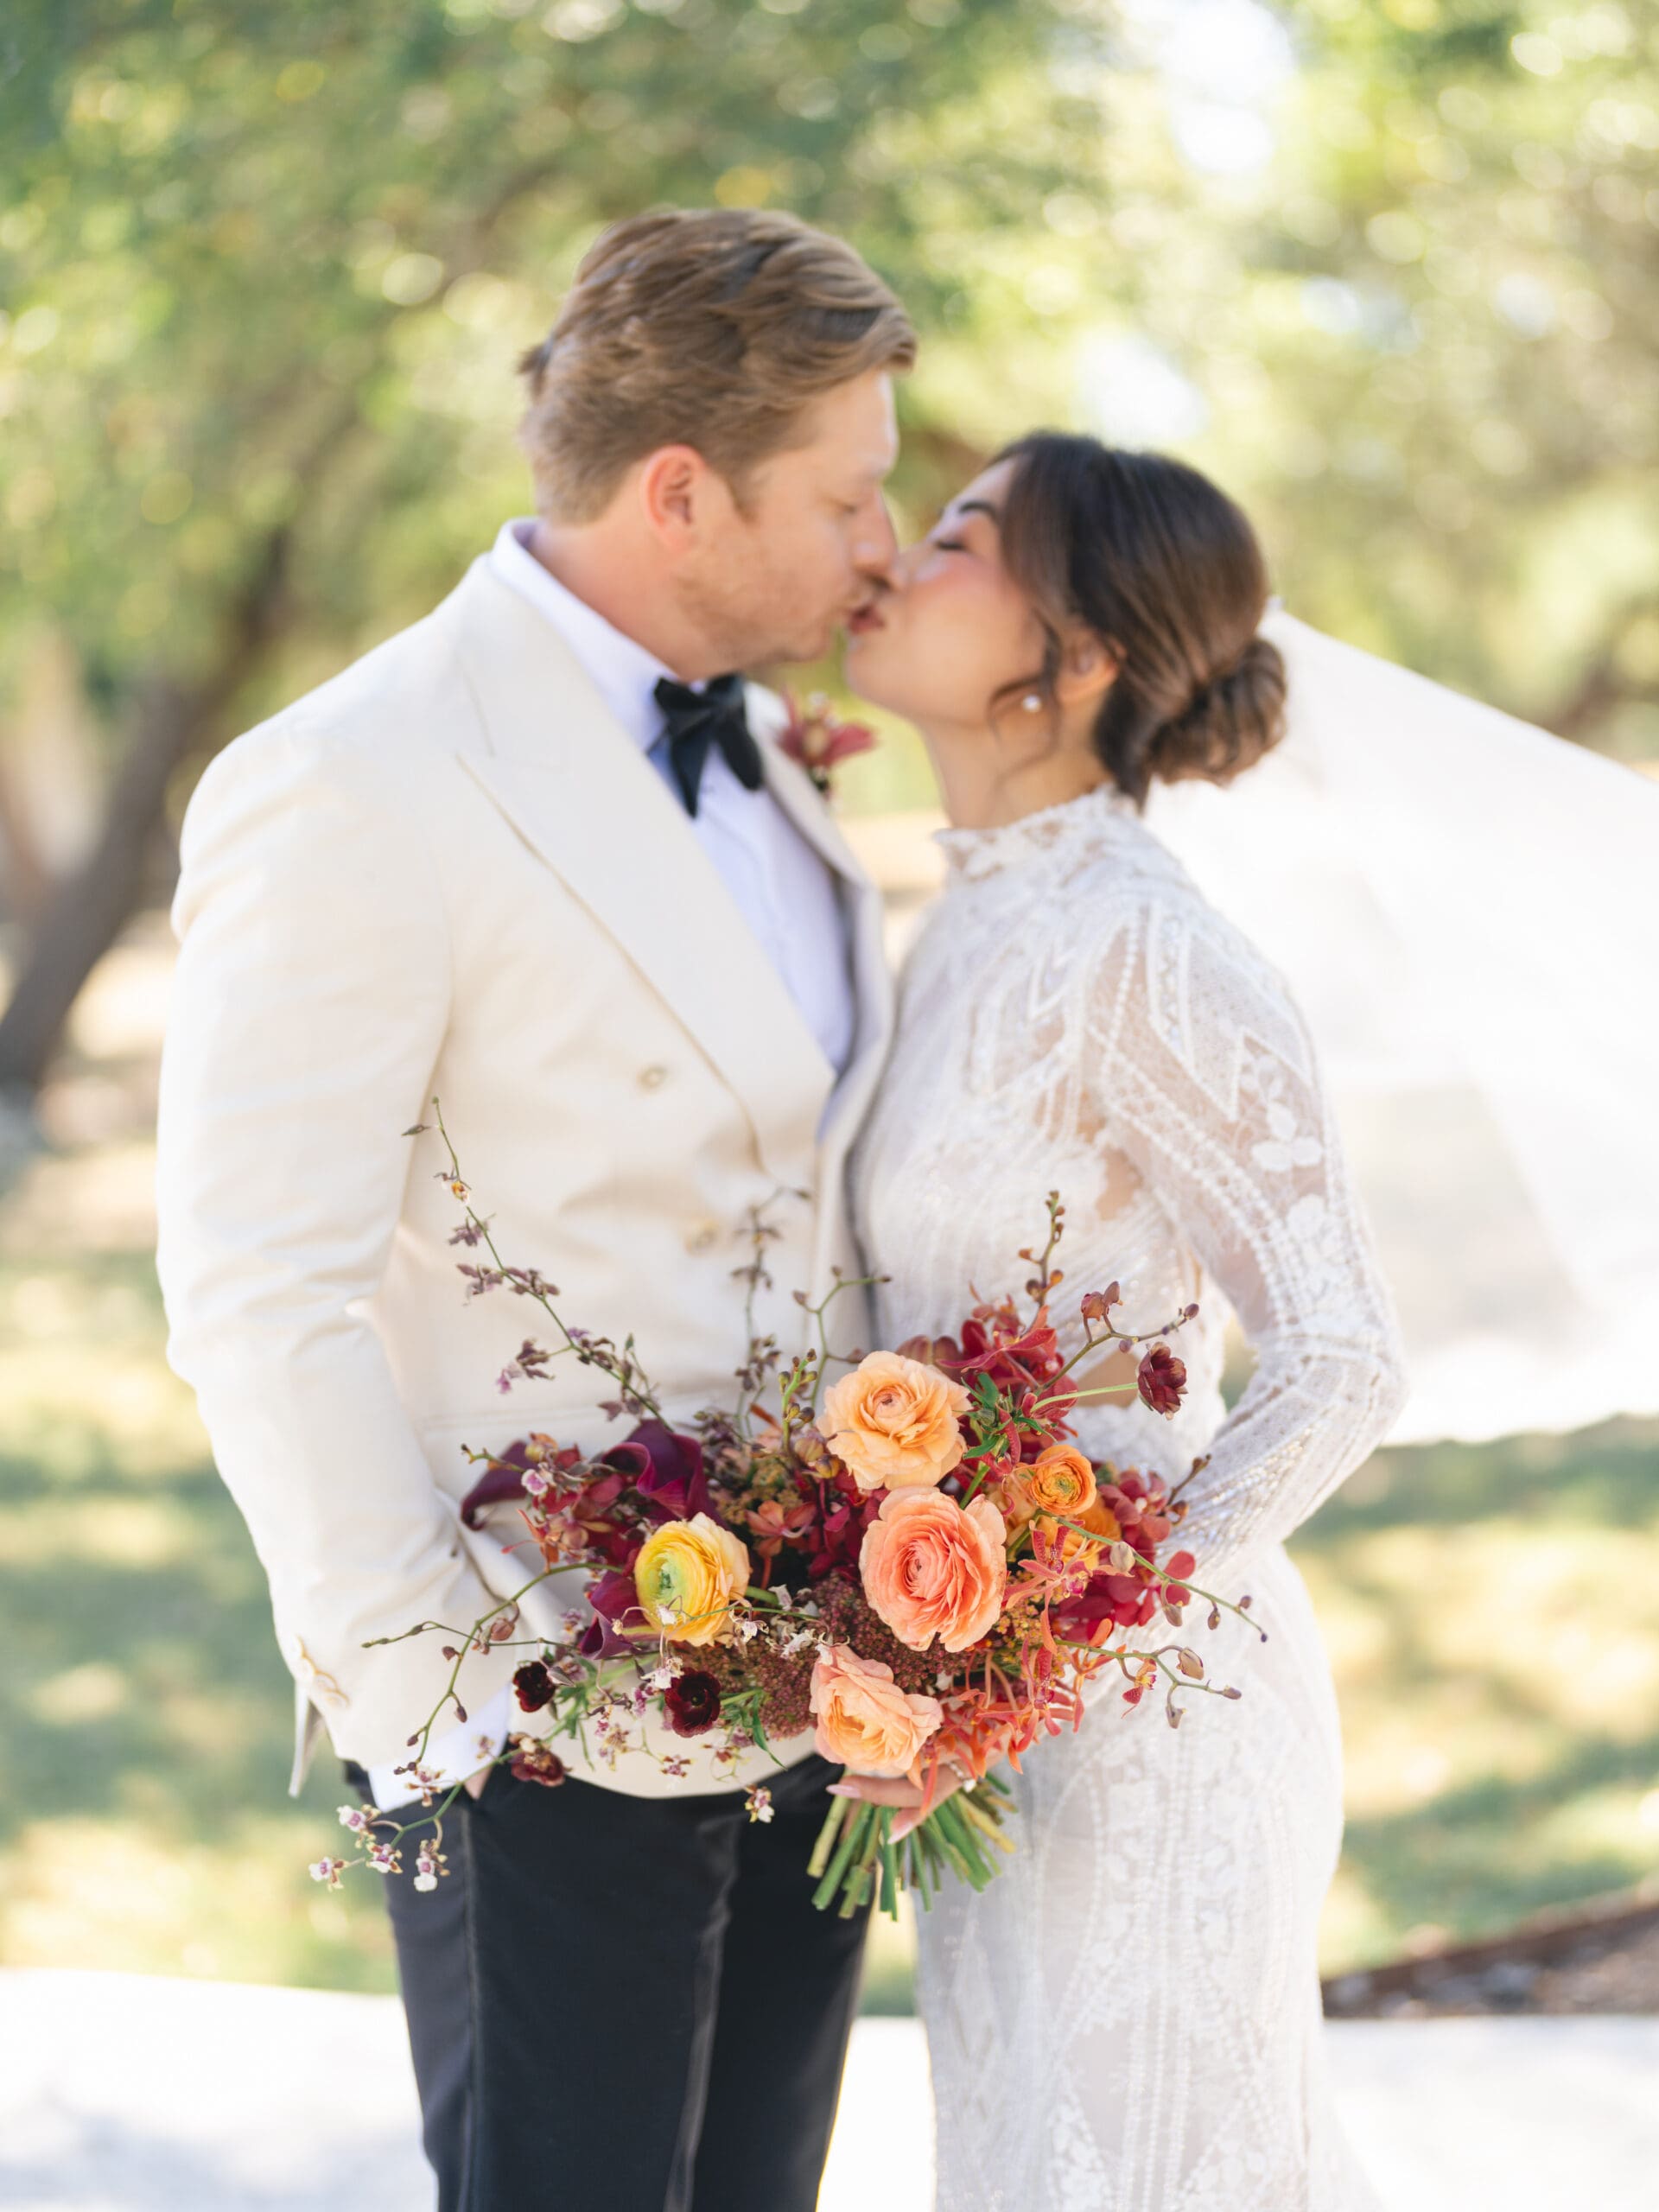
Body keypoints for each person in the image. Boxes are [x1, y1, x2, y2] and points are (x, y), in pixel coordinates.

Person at [156, 207, 908, 2212]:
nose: (884, 548)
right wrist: (456, 1717)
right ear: (684, 492)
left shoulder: (773, 764)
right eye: (849, 493)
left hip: (809, 1678)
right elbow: (256, 1286)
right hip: (539, 1699)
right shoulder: (358, 777)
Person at [840, 431, 1409, 2209]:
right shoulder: (969, 922)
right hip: (986, 1723)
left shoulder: (1144, 946)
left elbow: (1340, 1354)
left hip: (1146, 1726)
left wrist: (1058, 1623)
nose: (895, 557)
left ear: (1067, 658)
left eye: (958, 538)